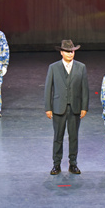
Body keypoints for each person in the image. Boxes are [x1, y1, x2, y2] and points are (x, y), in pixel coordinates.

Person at [45, 39, 89, 175]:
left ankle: (73, 164)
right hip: (58, 107)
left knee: (73, 137)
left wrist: (84, 107)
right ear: (61, 53)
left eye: (72, 51)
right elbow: (48, 88)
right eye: (67, 51)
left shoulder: (81, 67)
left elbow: (85, 89)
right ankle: (56, 164)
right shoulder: (53, 67)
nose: (70, 54)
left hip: (75, 107)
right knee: (58, 137)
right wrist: (48, 108)